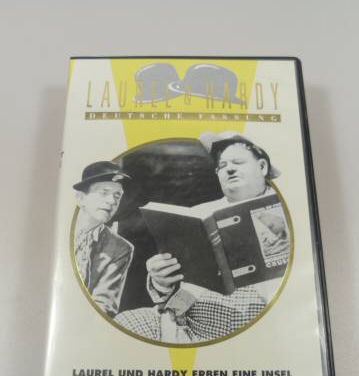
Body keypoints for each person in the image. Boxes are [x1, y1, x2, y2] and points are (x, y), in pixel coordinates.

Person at [115, 132, 287, 343]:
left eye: (238, 162)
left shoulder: (290, 213)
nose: (229, 169)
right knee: (123, 324)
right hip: (182, 322)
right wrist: (161, 280)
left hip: (254, 327)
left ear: (262, 167)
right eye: (222, 166)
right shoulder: (199, 214)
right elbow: (176, 282)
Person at [73, 161, 133, 316]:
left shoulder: (120, 248)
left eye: (117, 195)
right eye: (104, 192)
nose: (112, 201)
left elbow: (104, 306)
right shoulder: (57, 229)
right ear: (80, 198)